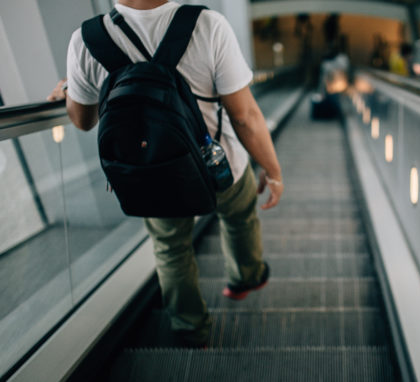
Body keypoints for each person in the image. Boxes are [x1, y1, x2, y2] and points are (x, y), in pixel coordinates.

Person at [49, 0, 283, 346]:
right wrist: (273, 170)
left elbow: (83, 121)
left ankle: (190, 328)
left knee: (171, 248)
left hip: (152, 177)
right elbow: (244, 115)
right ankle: (245, 278)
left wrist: (70, 89)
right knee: (240, 216)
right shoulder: (207, 25)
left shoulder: (85, 41)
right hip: (220, 166)